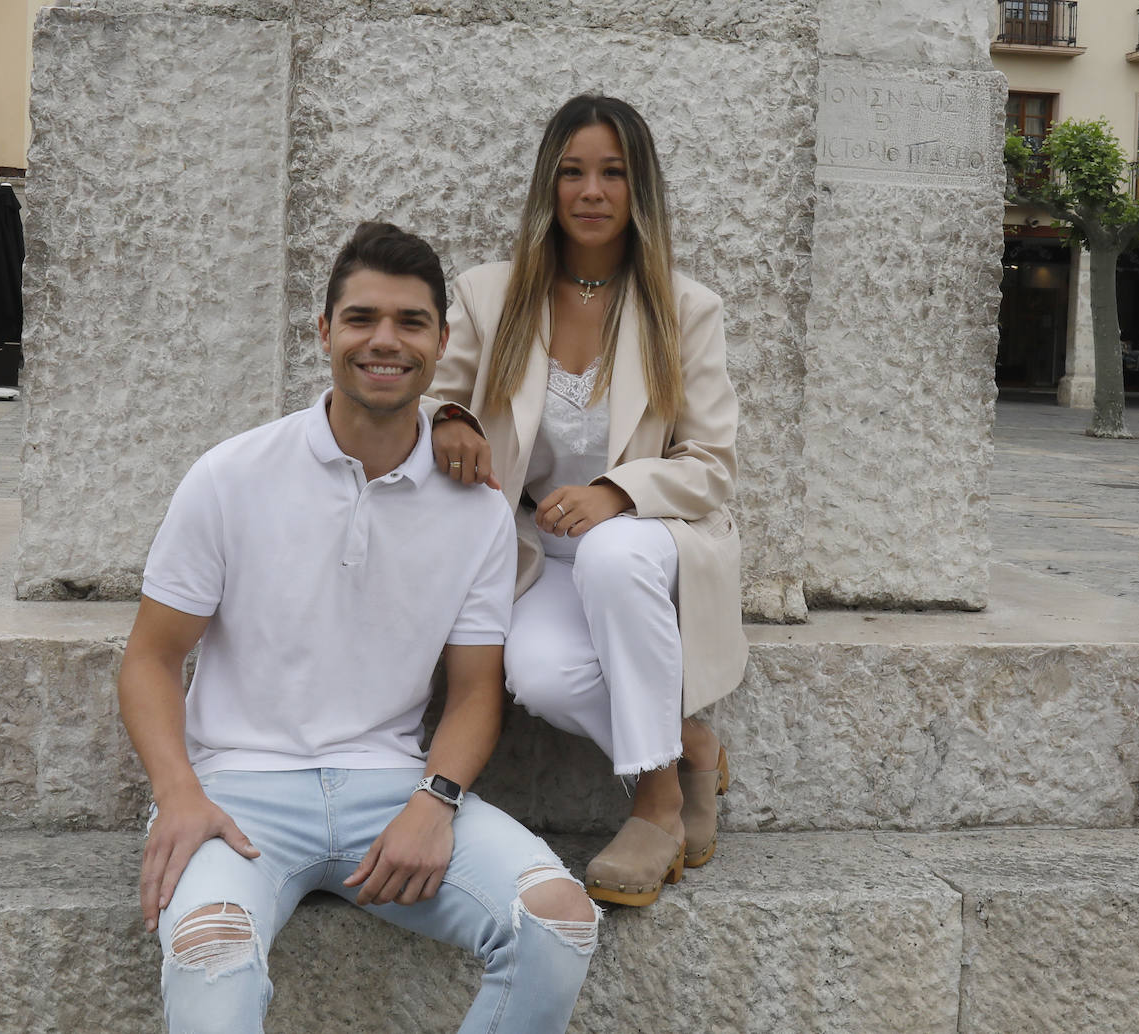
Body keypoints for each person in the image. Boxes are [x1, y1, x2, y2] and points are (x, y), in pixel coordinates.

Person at [118, 222, 598, 1034]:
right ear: (324, 332)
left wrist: (436, 799)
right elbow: (151, 661)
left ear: (442, 342)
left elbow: (478, 692)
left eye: (411, 322)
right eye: (362, 318)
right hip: (239, 793)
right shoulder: (231, 476)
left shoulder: (478, 511)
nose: (385, 340)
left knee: (558, 919)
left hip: (391, 787)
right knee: (209, 951)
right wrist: (178, 796)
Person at [429, 95, 748, 908]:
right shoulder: (488, 297)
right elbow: (433, 395)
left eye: (613, 172)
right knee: (537, 677)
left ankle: (656, 804)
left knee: (611, 552)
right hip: (543, 556)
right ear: (550, 184)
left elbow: (711, 464)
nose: (592, 191)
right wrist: (452, 420)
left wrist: (617, 491)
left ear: (639, 189)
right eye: (573, 172)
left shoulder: (686, 307)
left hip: (650, 542)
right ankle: (689, 747)